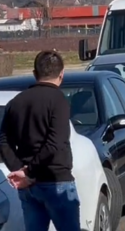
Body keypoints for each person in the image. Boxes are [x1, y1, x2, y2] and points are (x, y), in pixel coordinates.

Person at [0, 50, 79, 231]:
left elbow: (3, 140)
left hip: (29, 188)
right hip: (56, 181)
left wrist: (19, 169)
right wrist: (28, 171)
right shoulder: (58, 100)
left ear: (35, 74)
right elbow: (55, 143)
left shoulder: (16, 102)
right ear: (62, 74)